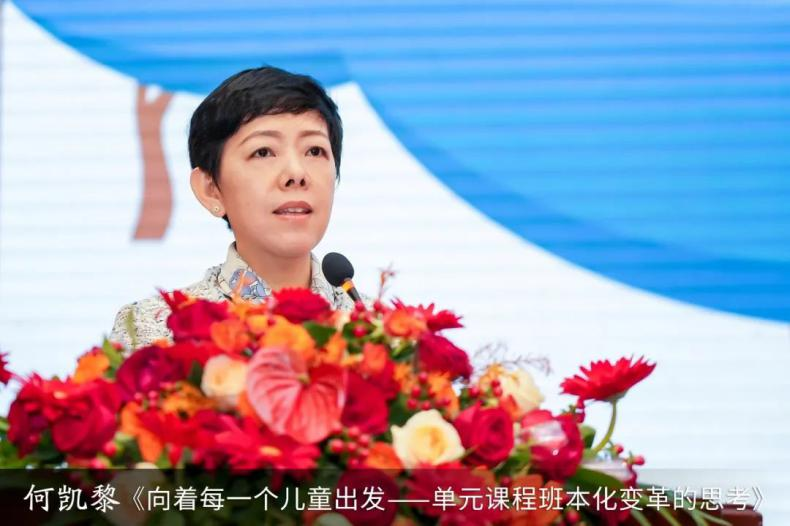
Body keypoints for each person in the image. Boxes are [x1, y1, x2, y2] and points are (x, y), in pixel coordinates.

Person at [110, 66, 355, 352]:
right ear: (211, 189)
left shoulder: (378, 332)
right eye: (263, 152)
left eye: (314, 151)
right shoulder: (155, 331)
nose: (296, 173)